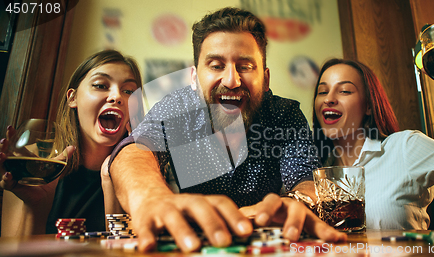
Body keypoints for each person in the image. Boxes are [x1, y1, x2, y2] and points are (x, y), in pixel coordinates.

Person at [107, 7, 346, 253]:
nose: (231, 81)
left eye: (245, 66)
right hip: (195, 246)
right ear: (194, 77)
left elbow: (307, 180)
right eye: (216, 65)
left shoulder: (285, 114)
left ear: (265, 79)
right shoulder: (178, 108)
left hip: (268, 246)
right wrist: (150, 197)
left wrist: (297, 201)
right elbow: (134, 150)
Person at [312, 30, 434, 230]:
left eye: (345, 91)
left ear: (368, 106)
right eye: (322, 91)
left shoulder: (404, 147)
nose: (329, 99)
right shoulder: (311, 171)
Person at [0, 50, 142, 235]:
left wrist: (111, 180)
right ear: (72, 98)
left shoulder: (142, 167)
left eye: (129, 91)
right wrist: (35, 206)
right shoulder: (33, 162)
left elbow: (129, 250)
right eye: (100, 85)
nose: (117, 96)